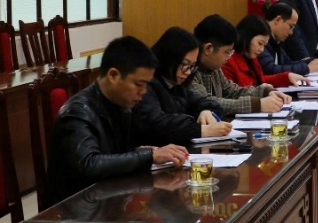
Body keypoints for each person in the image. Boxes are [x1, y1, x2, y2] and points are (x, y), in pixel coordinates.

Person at [42, 36, 190, 208]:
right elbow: (89, 165)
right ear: (113, 75)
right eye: (139, 84)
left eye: (146, 85)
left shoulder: (120, 104)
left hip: (106, 201)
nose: (144, 92)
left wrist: (143, 151)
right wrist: (148, 156)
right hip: (73, 213)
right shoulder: (78, 111)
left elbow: (113, 154)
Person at [138, 27, 231, 141]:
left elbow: (204, 102)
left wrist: (206, 111)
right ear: (169, 59)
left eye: (192, 66)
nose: (188, 72)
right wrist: (201, 130)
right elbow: (156, 124)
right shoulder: (146, 85)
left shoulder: (176, 86)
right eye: (185, 65)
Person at [189, 14, 290, 116]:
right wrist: (258, 104)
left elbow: (233, 91)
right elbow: (208, 102)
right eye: (226, 52)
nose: (229, 57)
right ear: (208, 48)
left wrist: (265, 91)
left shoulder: (214, 68)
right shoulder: (189, 72)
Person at [223, 14, 309, 88]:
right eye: (260, 43)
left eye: (264, 45)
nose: (262, 49)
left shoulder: (252, 58)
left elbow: (261, 81)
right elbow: (233, 94)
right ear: (247, 37)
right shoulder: (227, 62)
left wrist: (287, 77)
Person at [259, 1, 318, 76]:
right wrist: (307, 68)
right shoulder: (260, 38)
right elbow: (270, 69)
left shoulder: (275, 40)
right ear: (278, 20)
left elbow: (286, 63)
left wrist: (310, 62)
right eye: (290, 26)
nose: (291, 32)